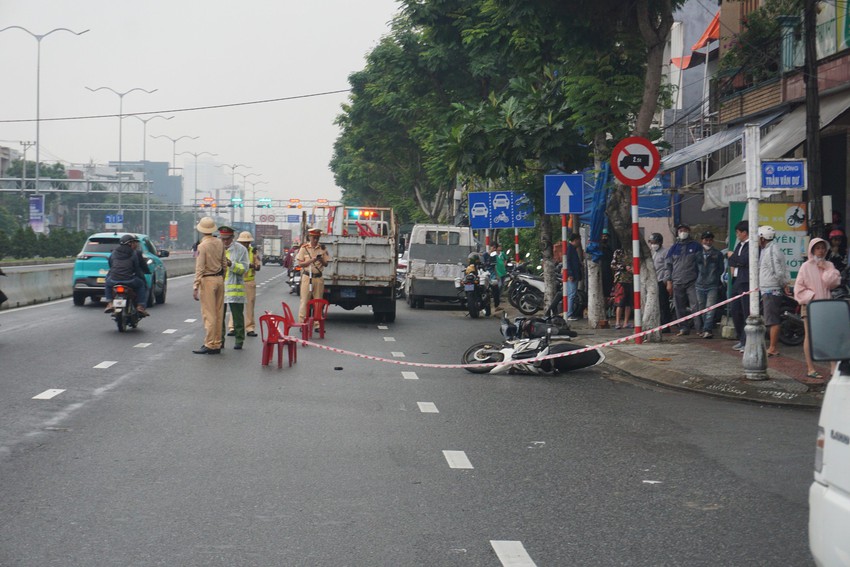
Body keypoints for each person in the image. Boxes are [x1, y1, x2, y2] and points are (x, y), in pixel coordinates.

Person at [794, 237, 841, 379]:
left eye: (823, 248)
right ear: (812, 249)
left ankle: (833, 367)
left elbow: (833, 283)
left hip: (826, 305)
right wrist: (812, 297)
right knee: (809, 336)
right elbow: (798, 289)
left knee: (830, 337)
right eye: (817, 248)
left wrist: (826, 268)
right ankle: (810, 368)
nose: (820, 251)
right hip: (810, 306)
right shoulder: (806, 267)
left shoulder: (829, 265)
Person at [192, 217, 226, 355]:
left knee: (209, 314)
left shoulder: (202, 246)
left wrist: (196, 286)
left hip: (208, 280)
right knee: (219, 313)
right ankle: (217, 343)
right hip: (219, 279)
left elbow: (200, 267)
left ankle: (209, 343)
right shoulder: (220, 243)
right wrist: (221, 278)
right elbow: (224, 263)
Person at [757, 225, 789, 357]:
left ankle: (773, 348)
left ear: (763, 238)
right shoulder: (768, 249)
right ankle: (772, 346)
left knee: (772, 319)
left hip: (772, 289)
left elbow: (778, 271)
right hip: (768, 288)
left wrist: (783, 284)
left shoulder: (771, 251)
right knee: (770, 318)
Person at [665, 223, 701, 336]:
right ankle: (683, 328)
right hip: (677, 281)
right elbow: (668, 266)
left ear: (689, 232)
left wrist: (699, 279)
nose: (683, 232)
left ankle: (699, 329)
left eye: (685, 230)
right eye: (680, 230)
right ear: (677, 232)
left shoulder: (696, 246)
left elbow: (701, 264)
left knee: (696, 305)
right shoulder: (673, 248)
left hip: (692, 281)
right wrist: (669, 281)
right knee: (679, 306)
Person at [103, 234, 149, 314]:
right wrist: (142, 277)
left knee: (107, 283)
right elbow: (136, 268)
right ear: (130, 243)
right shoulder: (134, 253)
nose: (136, 245)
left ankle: (110, 303)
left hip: (114, 280)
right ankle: (140, 306)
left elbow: (111, 265)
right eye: (134, 243)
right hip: (129, 280)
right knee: (141, 285)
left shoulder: (114, 253)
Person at [218, 226, 248, 350]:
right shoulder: (217, 248)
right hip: (220, 288)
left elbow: (244, 268)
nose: (225, 241)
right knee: (219, 317)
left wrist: (231, 264)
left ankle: (239, 340)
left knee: (238, 318)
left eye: (227, 239)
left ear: (232, 238)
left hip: (235, 290)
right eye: (223, 239)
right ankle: (220, 341)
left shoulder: (240, 250)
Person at [296, 227, 330, 328]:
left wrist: (321, 260)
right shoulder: (304, 248)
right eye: (314, 237)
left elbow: (326, 263)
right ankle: (303, 323)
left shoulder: (322, 248)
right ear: (310, 237)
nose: (315, 240)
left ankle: (317, 324)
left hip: (318, 278)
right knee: (304, 301)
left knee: (318, 302)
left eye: (317, 238)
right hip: (307, 277)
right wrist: (312, 260)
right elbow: (300, 264)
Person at [228, 231, 260, 338]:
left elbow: (258, 267)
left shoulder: (253, 252)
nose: (245, 245)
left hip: (249, 281)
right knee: (235, 305)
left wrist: (250, 265)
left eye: (247, 242)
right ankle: (232, 327)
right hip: (237, 281)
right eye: (243, 242)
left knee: (250, 306)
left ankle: (249, 328)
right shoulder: (234, 251)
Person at [694, 231, 724, 339]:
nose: (708, 242)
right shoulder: (697, 254)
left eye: (710, 240)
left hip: (712, 285)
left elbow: (721, 269)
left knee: (710, 308)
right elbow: (694, 270)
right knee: (702, 308)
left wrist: (714, 279)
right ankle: (704, 328)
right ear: (702, 240)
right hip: (699, 285)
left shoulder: (718, 254)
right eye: (706, 239)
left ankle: (707, 329)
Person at [727, 221, 751, 352]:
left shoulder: (752, 245)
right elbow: (732, 261)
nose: (737, 235)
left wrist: (733, 257)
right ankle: (741, 338)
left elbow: (744, 260)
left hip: (746, 282)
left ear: (744, 233)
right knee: (735, 310)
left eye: (738, 233)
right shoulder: (739, 246)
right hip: (736, 281)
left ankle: (747, 341)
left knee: (746, 311)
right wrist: (734, 257)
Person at [648, 232, 672, 332]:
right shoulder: (654, 253)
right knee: (656, 304)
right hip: (654, 281)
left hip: (662, 281)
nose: (653, 245)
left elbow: (668, 267)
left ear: (660, 242)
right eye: (652, 242)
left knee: (663, 305)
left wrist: (667, 281)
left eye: (655, 242)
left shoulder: (665, 252)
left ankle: (665, 326)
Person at [611, 248, 633, 329]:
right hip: (620, 280)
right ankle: (617, 322)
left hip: (631, 280)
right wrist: (624, 267)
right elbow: (613, 265)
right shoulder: (618, 252)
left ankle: (626, 323)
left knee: (629, 303)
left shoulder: (633, 251)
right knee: (620, 302)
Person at [566, 233, 583, 321]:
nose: (580, 242)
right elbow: (568, 262)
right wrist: (570, 274)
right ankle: (569, 314)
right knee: (571, 295)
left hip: (574, 274)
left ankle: (569, 313)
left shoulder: (572, 249)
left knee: (571, 294)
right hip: (572, 275)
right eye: (579, 240)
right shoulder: (570, 249)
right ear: (576, 240)